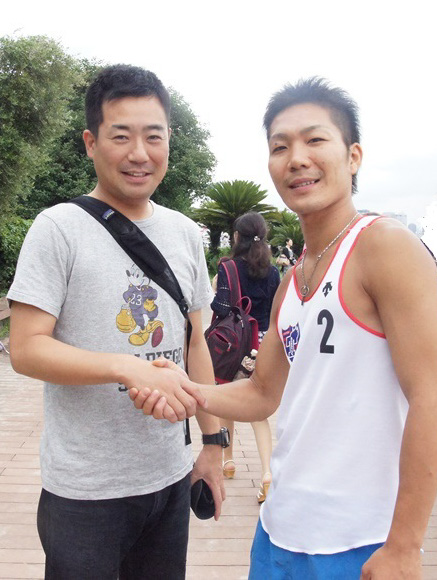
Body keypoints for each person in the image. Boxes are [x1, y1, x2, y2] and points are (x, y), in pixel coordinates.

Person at [132, 77, 437, 579]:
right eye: (280, 147)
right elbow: (262, 393)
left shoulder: (384, 246)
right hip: (278, 533)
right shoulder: (292, 283)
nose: (296, 159)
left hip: (360, 542)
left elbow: (429, 393)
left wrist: (405, 545)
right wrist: (186, 389)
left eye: (315, 140)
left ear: (353, 156)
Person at [7, 64, 225, 579]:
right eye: (121, 136)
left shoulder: (184, 233)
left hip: (170, 475)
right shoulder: (58, 228)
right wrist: (127, 367)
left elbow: (195, 343)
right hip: (85, 490)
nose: (139, 153)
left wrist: (213, 444)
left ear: (168, 140)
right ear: (91, 143)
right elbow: (26, 348)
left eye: (154, 136)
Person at [210, 212, 280, 502]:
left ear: (237, 237)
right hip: (262, 344)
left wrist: (216, 286)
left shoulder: (228, 267)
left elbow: (222, 308)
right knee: (258, 409)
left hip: (235, 344)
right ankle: (267, 473)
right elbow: (277, 311)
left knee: (228, 397)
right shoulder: (273, 272)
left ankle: (228, 460)